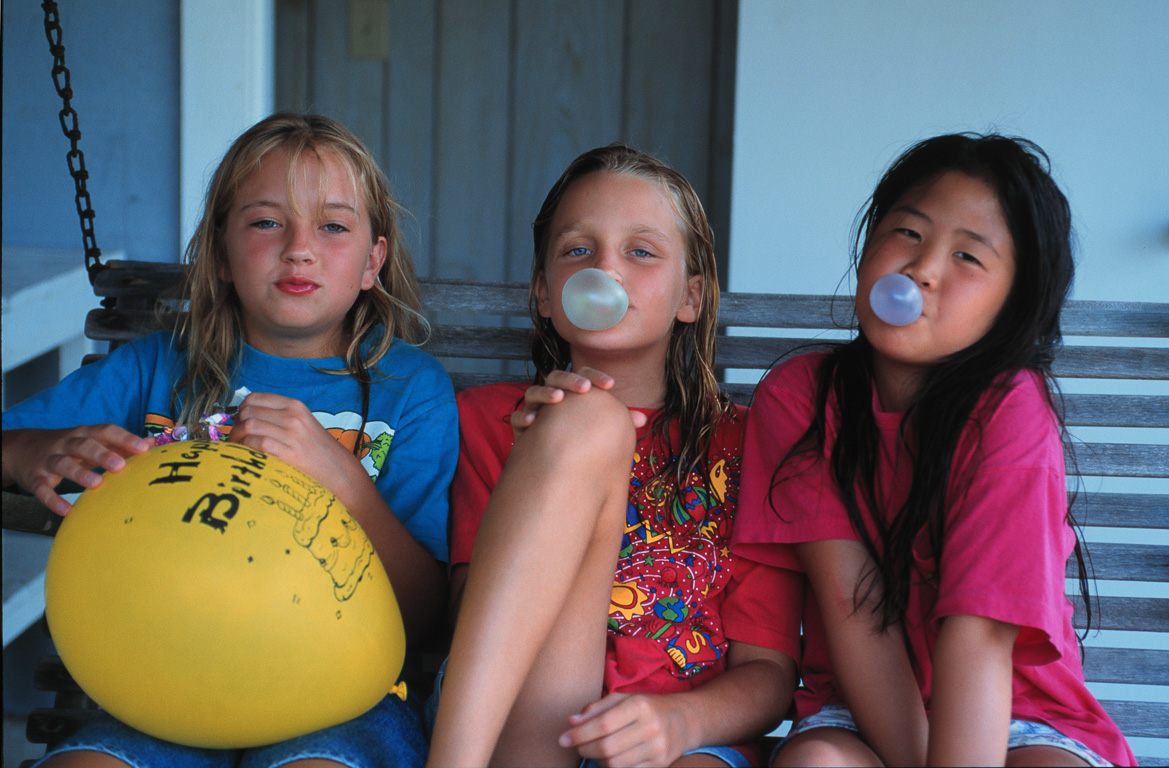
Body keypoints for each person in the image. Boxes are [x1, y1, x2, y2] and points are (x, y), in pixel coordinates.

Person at [2, 113, 458, 768]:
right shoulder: (155, 369)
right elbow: (12, 445)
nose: (299, 248)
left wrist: (344, 483)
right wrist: (24, 453)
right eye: (266, 221)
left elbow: (423, 615)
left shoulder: (410, 392)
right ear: (220, 253)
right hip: (161, 684)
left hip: (343, 700)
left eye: (332, 226)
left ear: (372, 261)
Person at [733, 133, 1136, 767]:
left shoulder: (1009, 410)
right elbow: (853, 608)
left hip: (1017, 714)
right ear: (869, 245)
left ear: (1012, 301)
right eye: (909, 234)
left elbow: (978, 638)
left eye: (969, 257)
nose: (922, 269)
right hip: (859, 711)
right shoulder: (801, 397)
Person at [425, 144, 802, 768]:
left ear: (692, 296)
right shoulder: (496, 422)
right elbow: (473, 620)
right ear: (545, 292)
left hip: (684, 735)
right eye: (579, 249)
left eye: (641, 251)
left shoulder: (749, 447)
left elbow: (767, 673)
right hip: (521, 731)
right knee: (588, 421)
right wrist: (540, 467)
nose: (607, 269)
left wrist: (678, 722)